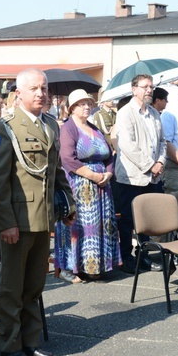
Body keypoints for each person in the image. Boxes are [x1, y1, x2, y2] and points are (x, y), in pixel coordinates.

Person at [0, 68, 76, 356]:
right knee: (12, 286)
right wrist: (6, 222)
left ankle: (31, 340)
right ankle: (10, 343)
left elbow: (56, 171)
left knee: (35, 284)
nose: (41, 93)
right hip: (19, 219)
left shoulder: (50, 123)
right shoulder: (5, 128)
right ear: (19, 93)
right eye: (34, 88)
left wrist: (68, 205)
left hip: (43, 217)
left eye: (44, 88)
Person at [53, 89, 120, 283]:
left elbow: (108, 154)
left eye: (89, 104)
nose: (87, 107)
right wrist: (92, 175)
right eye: (82, 104)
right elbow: (67, 159)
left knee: (99, 227)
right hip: (79, 185)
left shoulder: (95, 128)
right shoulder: (68, 129)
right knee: (78, 225)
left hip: (101, 186)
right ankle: (70, 267)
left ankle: (95, 266)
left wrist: (108, 173)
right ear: (72, 108)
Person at [114, 74, 166, 274]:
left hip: (153, 175)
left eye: (151, 86)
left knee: (148, 219)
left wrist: (160, 161)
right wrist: (149, 165)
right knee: (128, 218)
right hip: (132, 175)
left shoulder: (154, 113)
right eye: (145, 87)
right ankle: (126, 257)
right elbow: (127, 145)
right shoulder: (125, 113)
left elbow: (162, 141)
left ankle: (144, 256)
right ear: (134, 89)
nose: (149, 90)